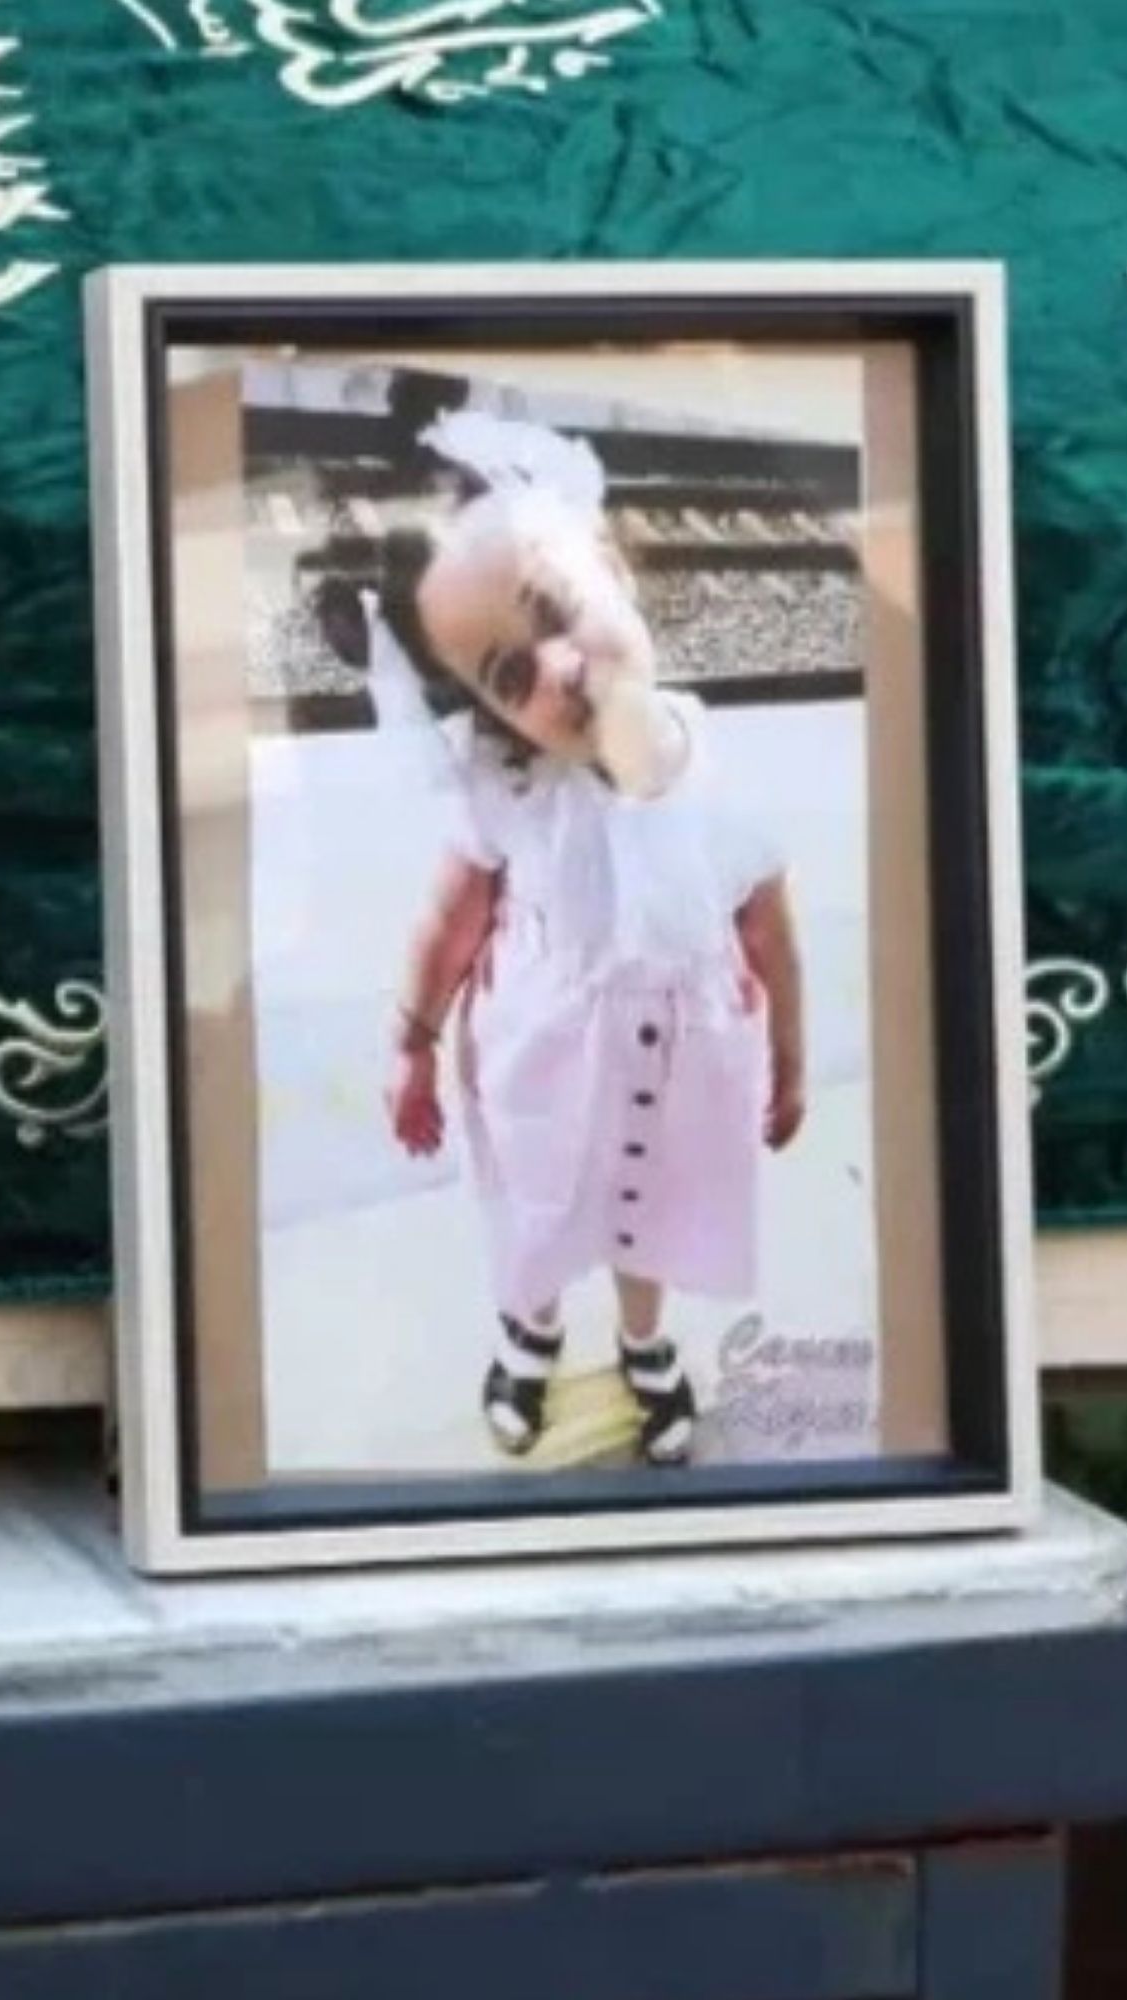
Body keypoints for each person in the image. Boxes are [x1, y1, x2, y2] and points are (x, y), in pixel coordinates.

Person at [354, 408, 807, 1469]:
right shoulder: (509, 796)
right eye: (510, 678)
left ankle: (644, 1343)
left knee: (656, 1206)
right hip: (545, 1051)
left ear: (612, 563)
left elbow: (767, 926)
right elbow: (450, 921)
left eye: (558, 611)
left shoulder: (729, 772)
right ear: (493, 714)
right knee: (542, 1205)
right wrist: (411, 1040)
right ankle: (531, 1331)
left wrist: (789, 1054)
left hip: (690, 1052)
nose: (557, 669)